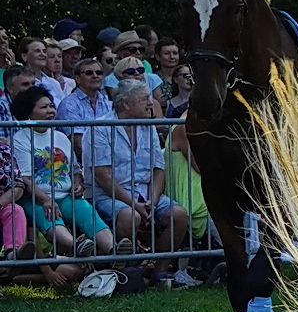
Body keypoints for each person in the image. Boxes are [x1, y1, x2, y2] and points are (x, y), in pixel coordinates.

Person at [90, 79, 192, 278]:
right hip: (108, 195)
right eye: (144, 98)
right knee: (130, 215)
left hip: (145, 194)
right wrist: (134, 204)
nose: (151, 103)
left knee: (179, 214)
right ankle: (124, 270)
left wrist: (152, 201)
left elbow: (158, 169)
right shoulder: (101, 128)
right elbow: (103, 177)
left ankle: (159, 272)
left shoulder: (148, 127)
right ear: (127, 104)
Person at [9, 85, 115, 268]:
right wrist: (46, 199)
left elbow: (74, 168)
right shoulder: (20, 138)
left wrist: (78, 183)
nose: (50, 110)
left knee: (88, 212)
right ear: (28, 112)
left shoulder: (60, 136)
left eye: (51, 106)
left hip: (65, 195)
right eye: (43, 107)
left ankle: (115, 252)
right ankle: (77, 247)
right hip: (35, 198)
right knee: (51, 217)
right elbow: (25, 178)